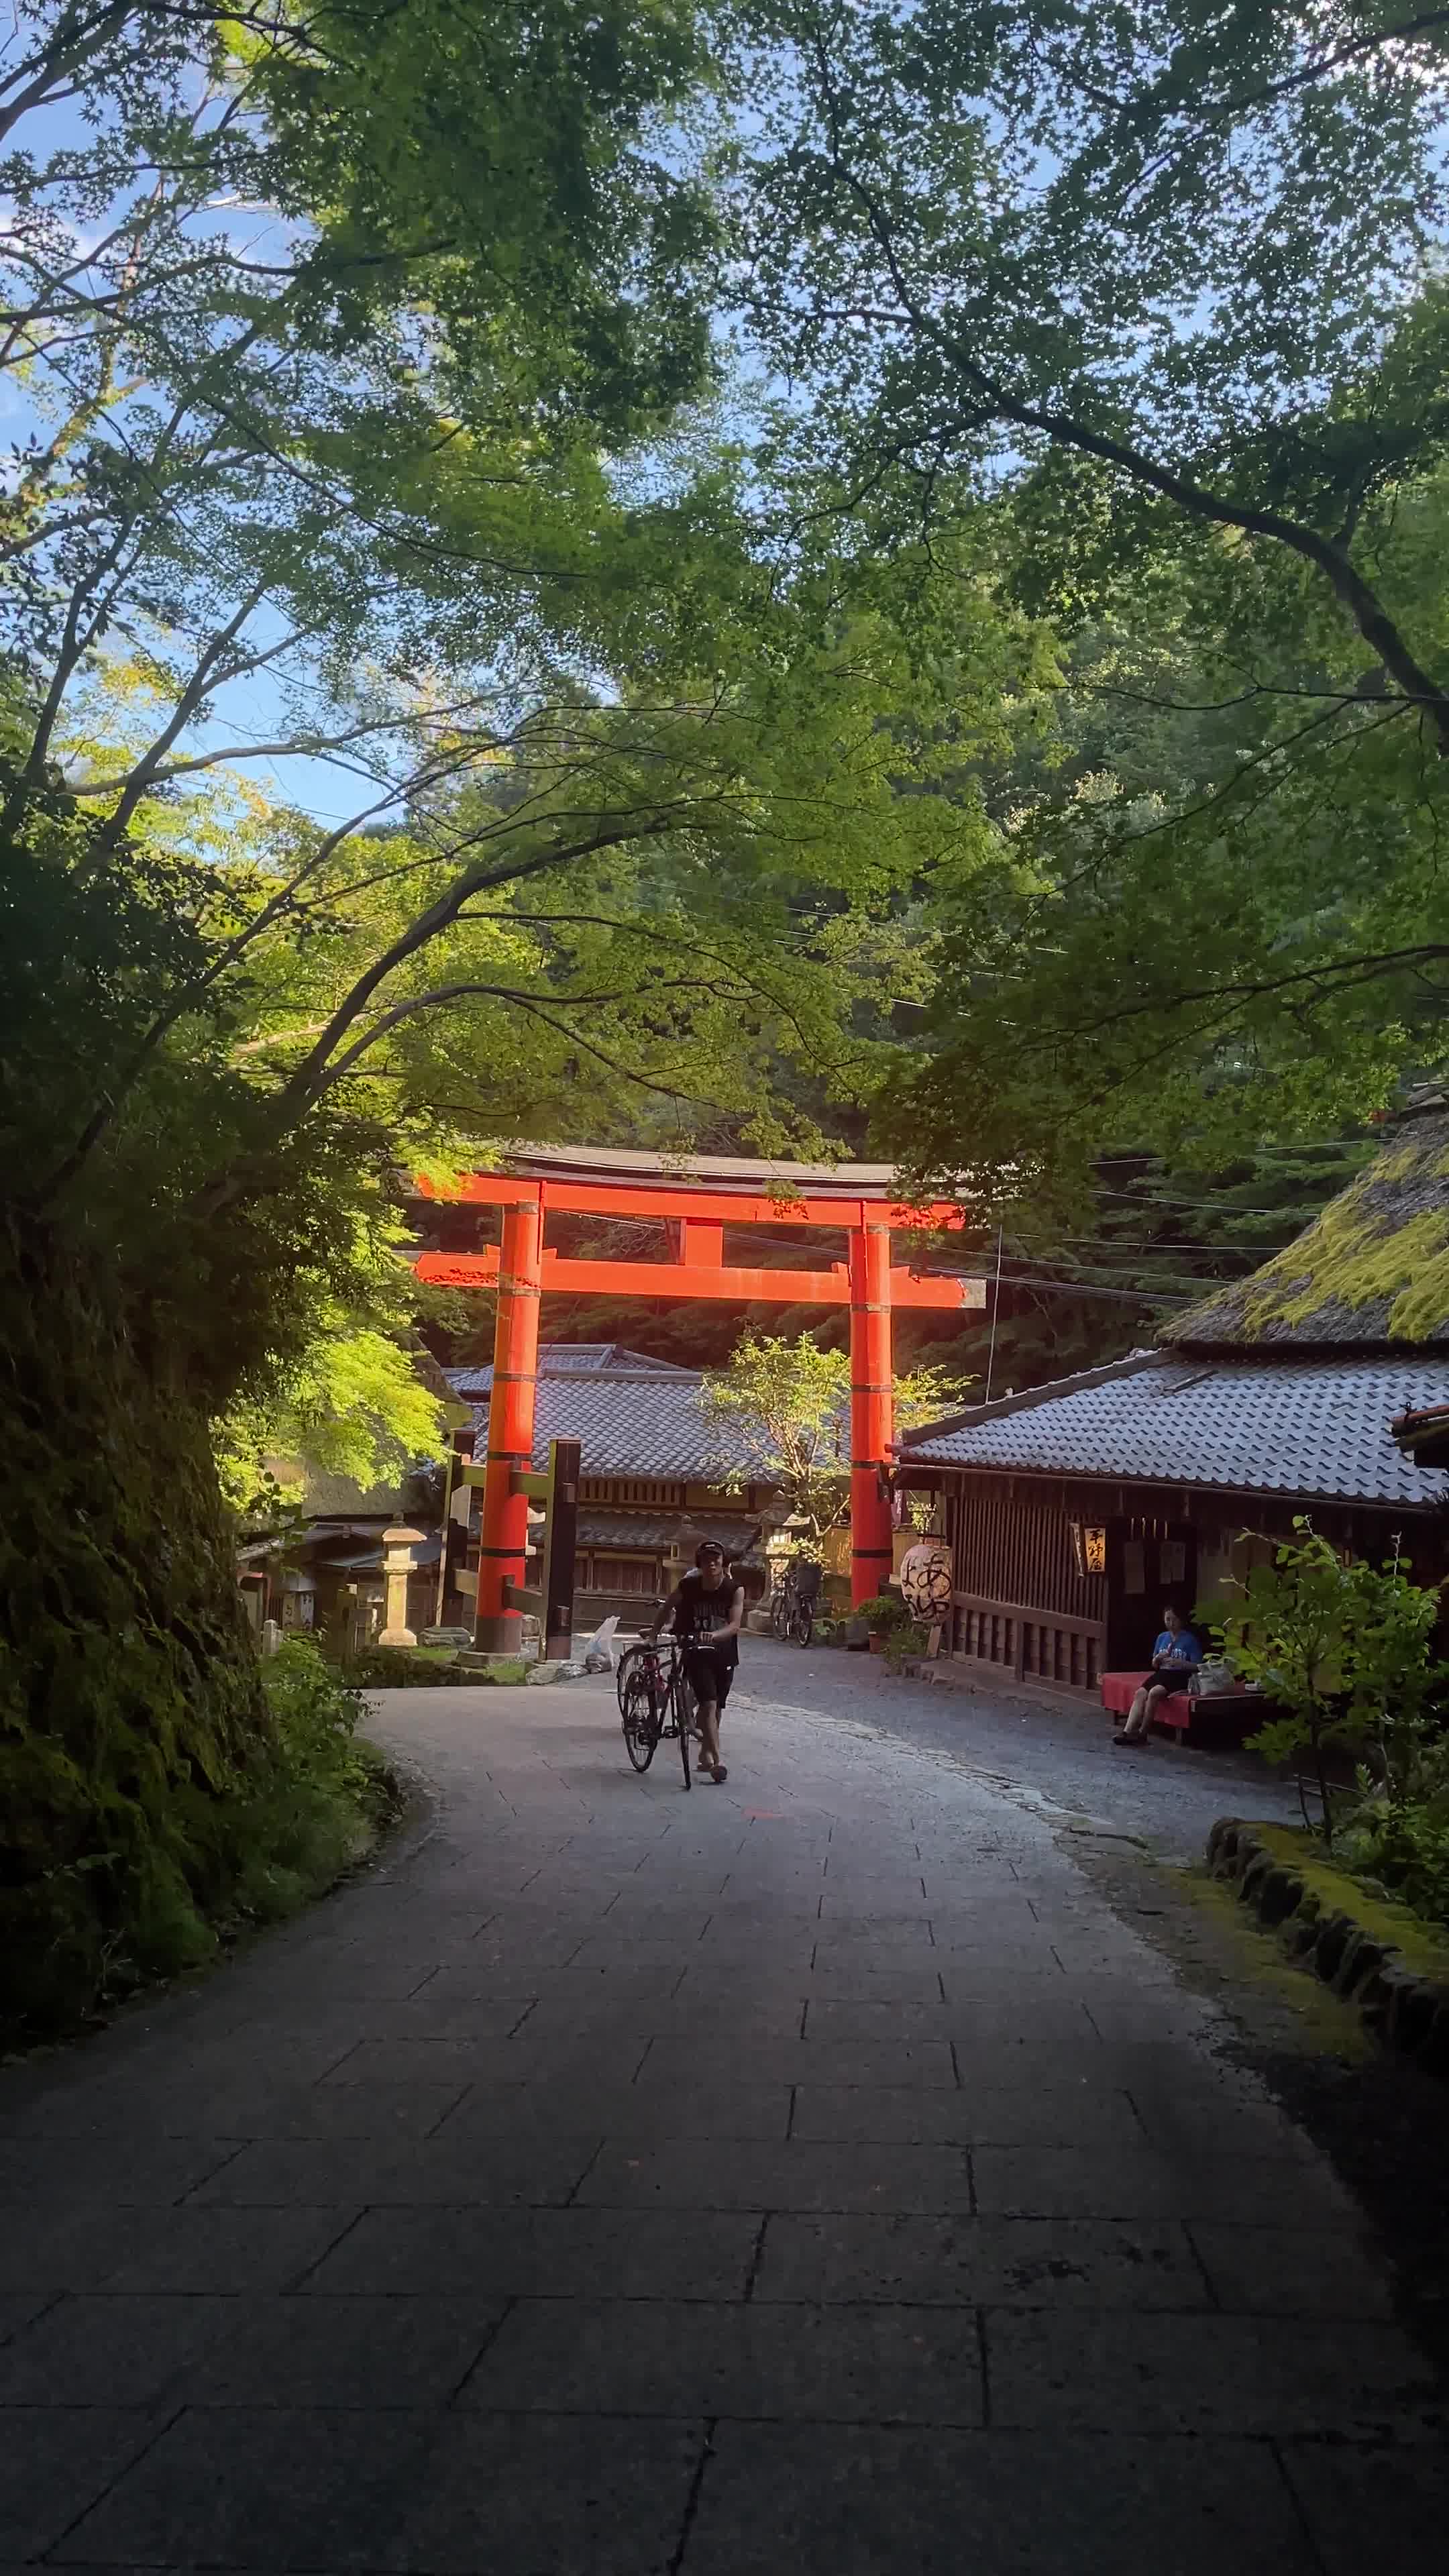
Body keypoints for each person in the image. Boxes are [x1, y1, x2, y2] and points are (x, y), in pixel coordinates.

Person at [647, 1540, 743, 1784]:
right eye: (707, 1559)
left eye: (716, 1559)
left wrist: (715, 1635)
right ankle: (718, 1761)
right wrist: (653, 1635)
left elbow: (734, 1625)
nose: (712, 1563)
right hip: (695, 1650)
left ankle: (705, 1751)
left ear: (723, 1563)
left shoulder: (734, 1590)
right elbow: (667, 1606)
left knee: (716, 1706)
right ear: (699, 1563)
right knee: (709, 1704)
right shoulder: (688, 1586)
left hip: (724, 1653)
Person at [1113, 1604, 1203, 1747]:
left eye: (1174, 1620)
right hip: (1163, 1673)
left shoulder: (1190, 1640)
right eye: (1167, 1620)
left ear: (1181, 1620)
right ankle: (1127, 1731)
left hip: (1180, 1676)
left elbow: (1198, 1666)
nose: (1171, 1624)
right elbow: (1154, 1665)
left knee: (1155, 1692)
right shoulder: (1162, 1637)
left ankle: (1143, 1733)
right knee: (1140, 1693)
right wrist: (1158, 1659)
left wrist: (1180, 1663)